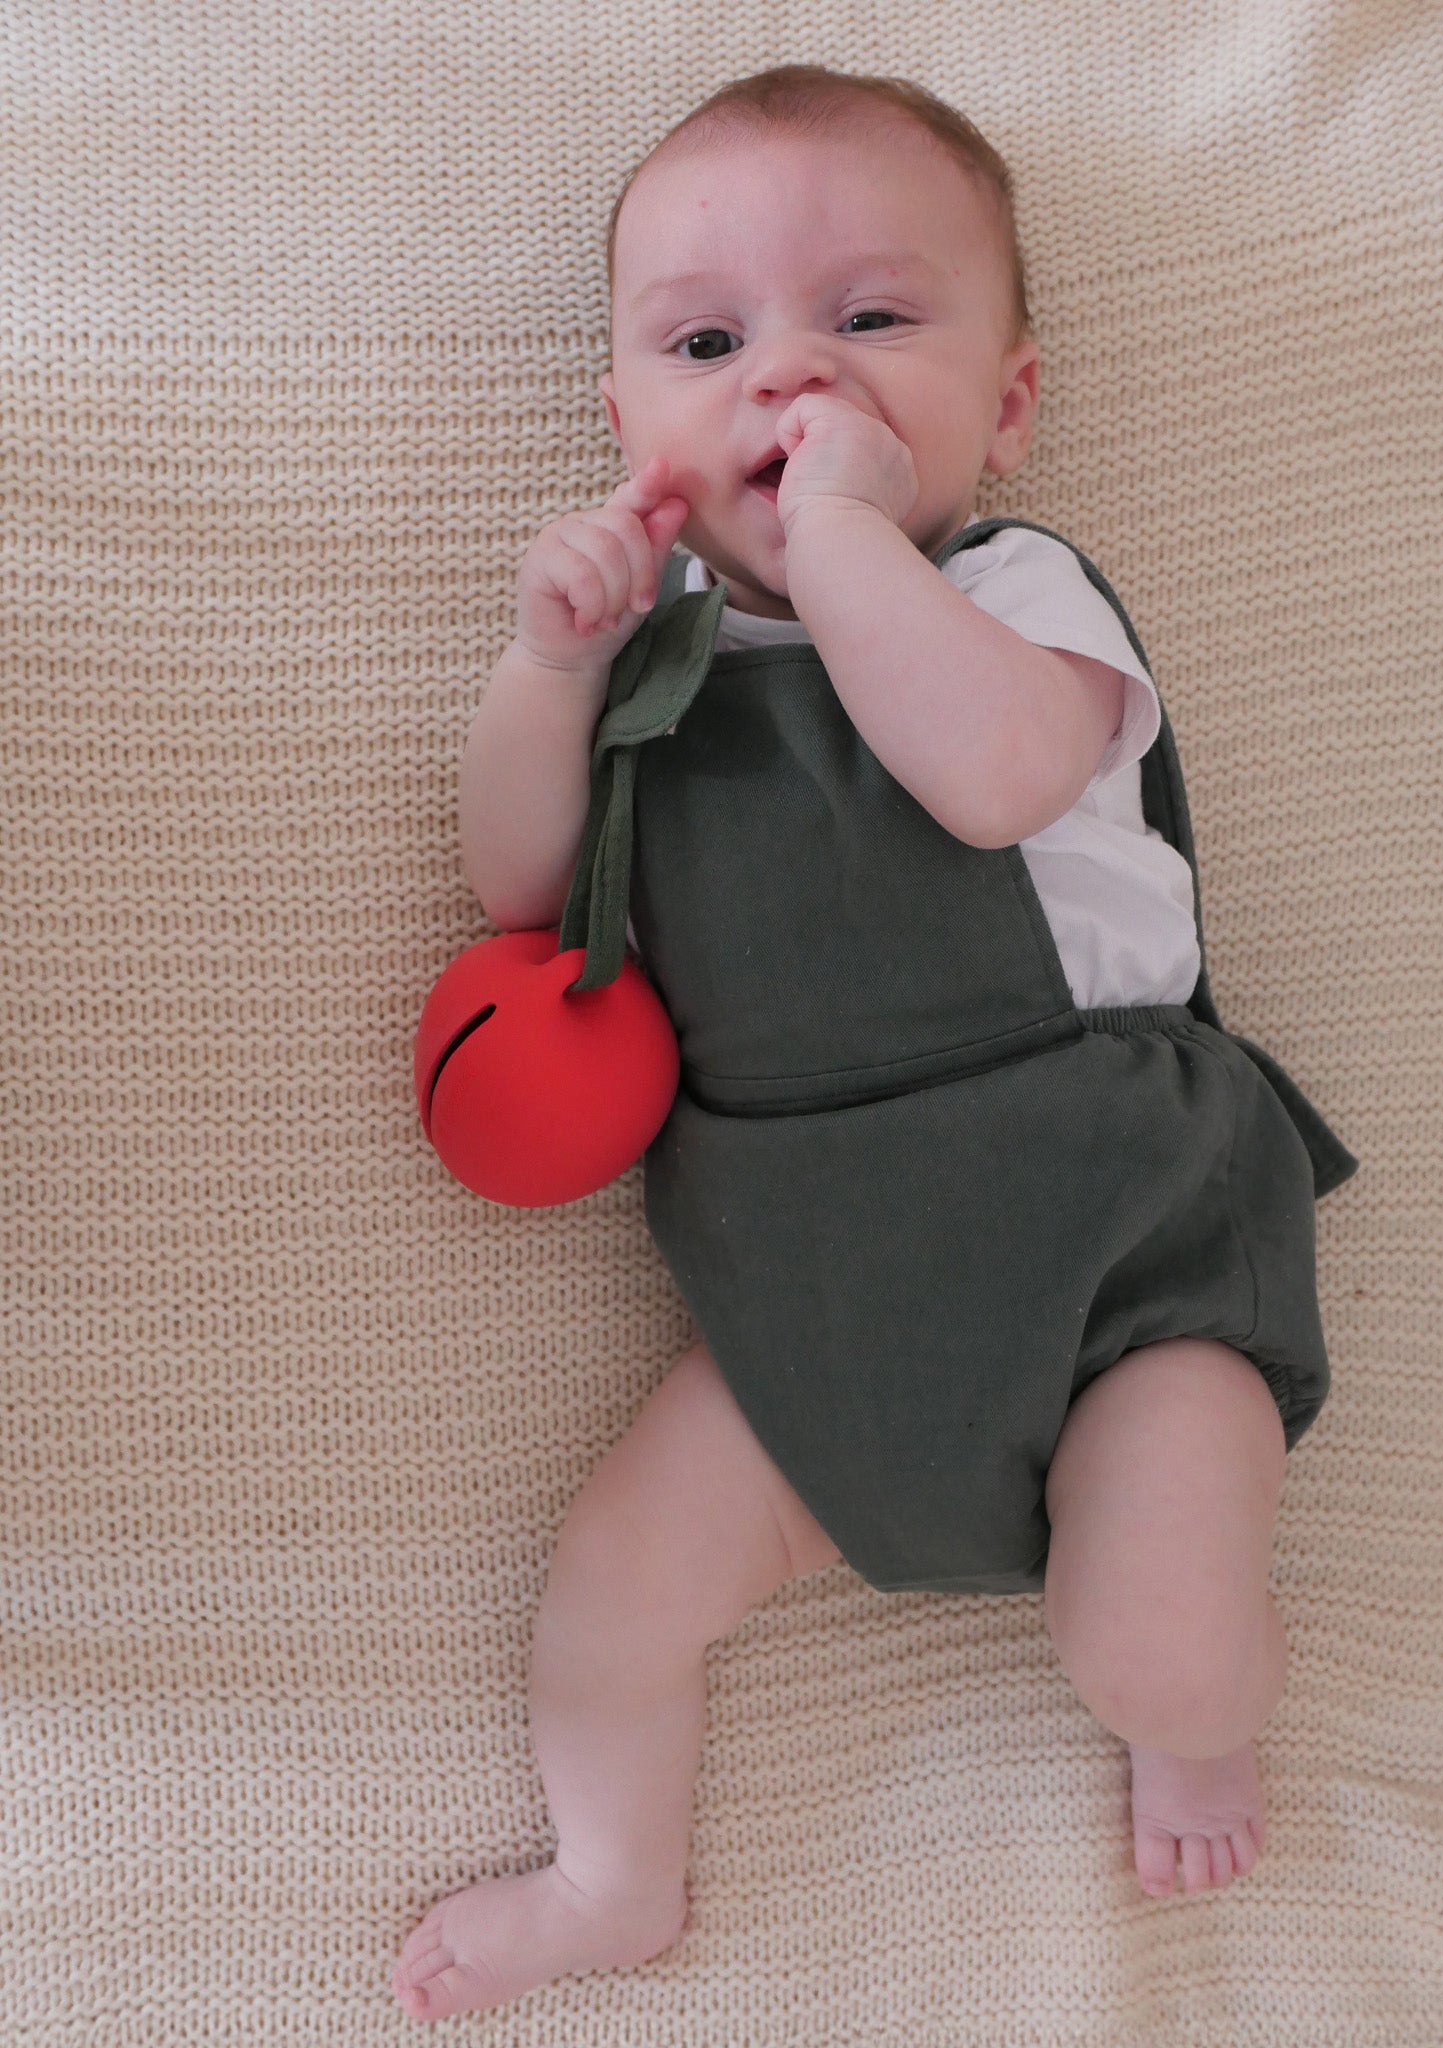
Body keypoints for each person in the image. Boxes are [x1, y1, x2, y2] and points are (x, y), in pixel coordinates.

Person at [393, 63, 1357, 2024]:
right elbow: (526, 885)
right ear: (625, 415)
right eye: (707, 341)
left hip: (1119, 1254)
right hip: (811, 1285)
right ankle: (612, 1874)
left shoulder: (1017, 593)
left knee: (1153, 1634)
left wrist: (842, 544)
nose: (790, 386)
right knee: (609, 1591)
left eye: (872, 321)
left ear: (1005, 401)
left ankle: (1197, 1721)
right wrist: (548, 667)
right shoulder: (655, 665)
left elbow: (995, 777)